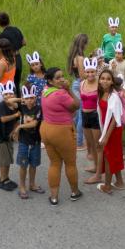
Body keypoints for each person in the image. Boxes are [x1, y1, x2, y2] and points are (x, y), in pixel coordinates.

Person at [39, 67, 83, 205]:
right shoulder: (61, 94)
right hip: (61, 131)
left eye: (62, 76)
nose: (62, 79)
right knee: (70, 163)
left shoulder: (45, 90)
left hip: (46, 129)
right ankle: (75, 192)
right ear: (50, 80)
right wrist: (69, 90)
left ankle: (54, 197)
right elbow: (76, 105)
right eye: (58, 78)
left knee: (54, 163)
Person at [95, 68, 125, 194]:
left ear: (112, 82)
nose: (105, 81)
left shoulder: (114, 96)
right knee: (114, 154)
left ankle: (107, 186)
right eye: (102, 78)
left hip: (113, 130)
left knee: (108, 156)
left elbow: (114, 118)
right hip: (107, 129)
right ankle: (119, 182)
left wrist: (106, 137)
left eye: (108, 79)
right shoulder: (102, 93)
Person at [15, 83, 44, 199]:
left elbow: (35, 123)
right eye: (27, 98)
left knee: (33, 164)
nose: (29, 100)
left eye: (32, 98)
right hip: (23, 141)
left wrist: (19, 127)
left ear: (35, 98)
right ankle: (22, 186)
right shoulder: (21, 107)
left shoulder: (38, 108)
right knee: (23, 165)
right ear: (23, 99)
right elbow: (8, 101)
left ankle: (32, 184)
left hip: (35, 140)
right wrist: (20, 99)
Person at [79, 56, 103, 185]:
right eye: (87, 71)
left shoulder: (100, 84)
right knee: (90, 143)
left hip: (95, 116)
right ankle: (95, 166)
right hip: (84, 114)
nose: (90, 74)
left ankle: (99, 174)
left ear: (96, 71)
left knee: (98, 145)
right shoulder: (82, 83)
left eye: (92, 71)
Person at [0, 12, 26, 86]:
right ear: (9, 20)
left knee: (10, 83)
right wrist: (17, 47)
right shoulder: (16, 29)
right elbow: (24, 42)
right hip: (18, 57)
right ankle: (19, 96)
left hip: (9, 60)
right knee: (17, 83)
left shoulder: (3, 35)